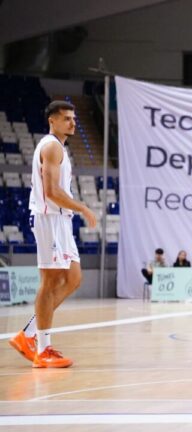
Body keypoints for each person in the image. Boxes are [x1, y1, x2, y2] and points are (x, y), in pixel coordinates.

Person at [8, 100, 97, 368]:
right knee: (50, 281)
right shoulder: (50, 146)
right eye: (66, 118)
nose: (72, 122)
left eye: (73, 118)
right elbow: (51, 192)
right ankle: (43, 349)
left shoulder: (58, 148)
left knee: (73, 278)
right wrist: (83, 208)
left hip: (61, 220)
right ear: (52, 121)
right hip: (49, 219)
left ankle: (29, 334)